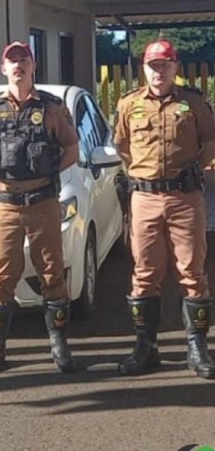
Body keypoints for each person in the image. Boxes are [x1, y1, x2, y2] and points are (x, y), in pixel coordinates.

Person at [0, 41, 79, 374]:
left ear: (34, 66)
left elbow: (71, 149)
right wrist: (2, 175)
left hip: (42, 201)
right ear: (3, 68)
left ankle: (59, 345)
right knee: (2, 276)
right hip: (4, 205)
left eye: (24, 59)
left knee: (52, 273)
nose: (18, 65)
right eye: (12, 60)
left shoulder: (51, 107)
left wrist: (43, 174)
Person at [113, 39, 215, 379]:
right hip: (144, 198)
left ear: (175, 67)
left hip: (185, 198)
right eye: (153, 65)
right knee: (144, 274)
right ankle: (146, 348)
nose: (159, 71)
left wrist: (195, 169)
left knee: (192, 272)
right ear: (144, 69)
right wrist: (141, 174)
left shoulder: (193, 103)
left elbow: (210, 141)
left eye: (165, 65)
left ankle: (197, 348)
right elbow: (122, 146)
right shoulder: (129, 104)